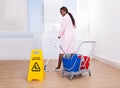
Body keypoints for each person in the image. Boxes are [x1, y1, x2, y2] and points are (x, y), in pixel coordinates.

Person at [54, 6, 76, 71]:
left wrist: (59, 35)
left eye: (61, 12)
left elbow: (62, 28)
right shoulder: (70, 16)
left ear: (64, 11)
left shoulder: (65, 18)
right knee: (71, 51)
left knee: (62, 51)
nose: (61, 14)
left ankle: (58, 67)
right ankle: (71, 66)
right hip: (72, 36)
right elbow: (74, 26)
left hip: (67, 37)